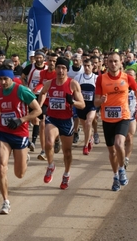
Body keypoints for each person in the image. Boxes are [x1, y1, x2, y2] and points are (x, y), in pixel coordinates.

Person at [0, 64, 41, 214]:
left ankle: (24, 159)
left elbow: (37, 110)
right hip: (4, 134)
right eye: (0, 79)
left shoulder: (21, 91)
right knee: (1, 167)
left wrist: (21, 120)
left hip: (20, 134)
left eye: (5, 79)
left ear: (11, 78)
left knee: (19, 174)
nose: (3, 82)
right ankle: (5, 201)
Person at [94, 52, 137, 192]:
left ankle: (122, 170)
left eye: (115, 61)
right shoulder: (101, 79)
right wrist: (101, 101)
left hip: (123, 116)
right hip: (107, 118)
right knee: (112, 152)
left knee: (119, 143)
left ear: (121, 62)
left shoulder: (127, 78)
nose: (113, 64)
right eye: (110, 61)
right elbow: (95, 101)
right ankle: (115, 176)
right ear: (107, 63)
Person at [38, 57, 85, 190]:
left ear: (67, 70)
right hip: (52, 118)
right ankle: (51, 165)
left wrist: (73, 102)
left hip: (66, 120)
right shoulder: (49, 83)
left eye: (63, 68)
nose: (60, 70)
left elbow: (82, 105)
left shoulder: (73, 84)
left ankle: (66, 174)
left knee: (67, 152)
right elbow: (42, 93)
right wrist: (40, 106)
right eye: (58, 67)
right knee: (48, 143)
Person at [21, 50, 48, 155]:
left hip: (43, 95)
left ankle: (36, 142)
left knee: (42, 120)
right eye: (37, 57)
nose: (38, 59)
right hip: (32, 95)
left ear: (43, 58)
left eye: (40, 57)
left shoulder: (47, 69)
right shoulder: (30, 67)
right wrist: (26, 86)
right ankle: (33, 141)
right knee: (34, 119)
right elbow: (22, 77)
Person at [74, 58, 98, 155]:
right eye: (85, 66)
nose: (87, 68)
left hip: (92, 105)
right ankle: (90, 137)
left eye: (89, 66)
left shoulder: (96, 78)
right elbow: (74, 91)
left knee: (89, 122)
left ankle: (85, 145)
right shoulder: (78, 78)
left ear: (93, 66)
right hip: (81, 105)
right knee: (85, 126)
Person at [124, 69, 137, 169]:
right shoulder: (121, 87)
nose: (130, 77)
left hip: (132, 116)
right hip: (121, 116)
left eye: (131, 75)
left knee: (129, 137)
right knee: (123, 139)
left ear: (134, 77)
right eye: (128, 75)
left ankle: (126, 158)